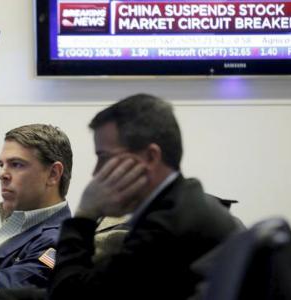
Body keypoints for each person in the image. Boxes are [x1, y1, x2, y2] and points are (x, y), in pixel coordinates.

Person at [46, 94, 243, 300]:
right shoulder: (180, 203)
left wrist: (84, 215)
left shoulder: (165, 227)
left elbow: (68, 295)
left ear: (150, 157)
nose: (96, 172)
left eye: (104, 157)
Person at [0, 124, 73, 289]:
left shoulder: (62, 242)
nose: (2, 174)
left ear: (53, 174)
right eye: (1, 164)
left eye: (16, 164)